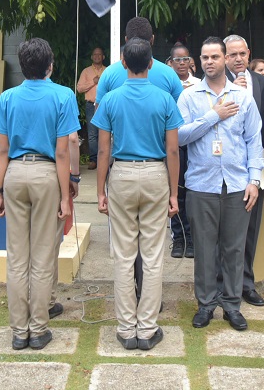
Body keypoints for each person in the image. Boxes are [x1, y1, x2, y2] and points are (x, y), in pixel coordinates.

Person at [94, 38, 180, 351]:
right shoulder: (165, 99)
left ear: (123, 63)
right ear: (152, 64)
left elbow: (103, 150)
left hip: (122, 175)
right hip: (156, 174)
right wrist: (174, 193)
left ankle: (126, 328)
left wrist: (100, 190)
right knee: (153, 255)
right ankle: (147, 329)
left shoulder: (110, 99)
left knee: (124, 254)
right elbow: (173, 150)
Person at [0, 38, 76, 350]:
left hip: (14, 174)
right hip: (46, 174)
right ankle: (38, 329)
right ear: (50, 66)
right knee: (42, 256)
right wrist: (65, 196)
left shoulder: (7, 97)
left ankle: (19, 331)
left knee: (17, 257)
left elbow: (2, 149)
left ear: (23, 66)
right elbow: (63, 152)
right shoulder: (63, 95)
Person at [178, 37, 264, 331]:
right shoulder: (189, 97)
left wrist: (254, 180)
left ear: (226, 59)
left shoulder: (242, 97)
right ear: (199, 61)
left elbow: (254, 141)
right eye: (204, 57)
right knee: (203, 250)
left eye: (215, 56)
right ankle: (205, 305)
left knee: (234, 249)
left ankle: (232, 305)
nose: (209, 62)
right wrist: (212, 116)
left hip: (237, 184)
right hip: (202, 185)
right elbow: (179, 136)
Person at [221, 35, 264, 308]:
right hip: (225, 167)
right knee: (223, 231)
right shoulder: (217, 83)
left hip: (256, 167)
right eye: (232, 54)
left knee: (250, 228)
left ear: (249, 54)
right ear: (224, 57)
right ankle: (221, 284)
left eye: (242, 54)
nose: (238, 59)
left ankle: (246, 283)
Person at [169, 43, 199, 259]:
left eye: (185, 59)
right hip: (174, 145)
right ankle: (178, 239)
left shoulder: (199, 84)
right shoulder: (167, 83)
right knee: (176, 193)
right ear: (170, 62)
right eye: (177, 60)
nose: (182, 63)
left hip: (195, 144)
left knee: (192, 192)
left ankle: (192, 238)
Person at [76, 47, 106, 170]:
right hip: (90, 105)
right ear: (91, 57)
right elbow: (79, 88)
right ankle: (93, 160)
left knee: (105, 132)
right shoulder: (86, 71)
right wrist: (93, 82)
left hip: (104, 105)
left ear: (103, 57)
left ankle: (104, 159)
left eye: (99, 54)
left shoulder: (107, 70)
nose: (97, 56)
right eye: (95, 54)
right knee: (92, 133)